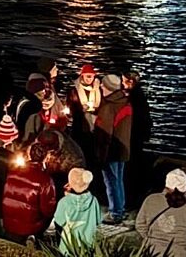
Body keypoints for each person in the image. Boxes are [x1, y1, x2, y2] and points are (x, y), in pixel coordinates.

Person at [95, 73, 134, 224]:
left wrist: (101, 156)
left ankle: (115, 213)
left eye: (103, 85)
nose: (101, 87)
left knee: (111, 182)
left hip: (110, 151)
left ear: (109, 88)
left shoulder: (108, 107)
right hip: (123, 149)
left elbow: (105, 136)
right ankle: (121, 208)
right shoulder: (126, 103)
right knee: (119, 180)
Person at [3, 142, 58, 245]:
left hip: (10, 224)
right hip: (31, 229)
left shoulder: (12, 172)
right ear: (46, 158)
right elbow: (48, 210)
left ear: (28, 155)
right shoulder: (45, 180)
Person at [54, 168, 102, 255]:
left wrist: (68, 197)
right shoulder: (94, 201)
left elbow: (58, 222)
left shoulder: (63, 202)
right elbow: (98, 221)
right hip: (88, 245)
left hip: (68, 247)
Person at [124, 71, 153, 206]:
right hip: (138, 135)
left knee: (131, 165)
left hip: (133, 135)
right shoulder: (140, 96)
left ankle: (131, 197)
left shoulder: (134, 98)